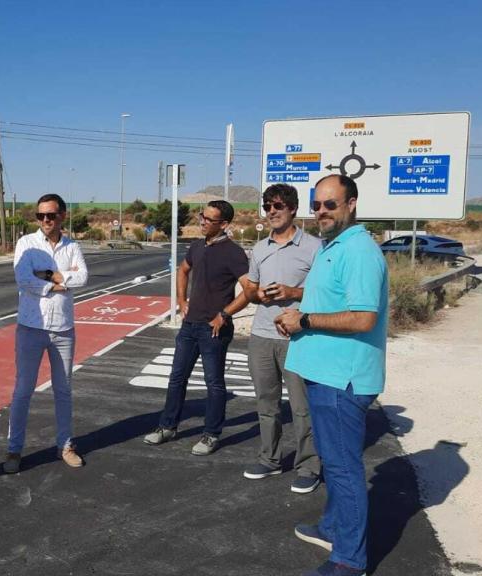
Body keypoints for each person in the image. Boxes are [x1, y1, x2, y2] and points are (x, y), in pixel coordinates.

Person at [275, 174, 389, 576]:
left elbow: (362, 317)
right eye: (317, 205)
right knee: (336, 461)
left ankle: (349, 559)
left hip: (342, 379)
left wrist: (304, 319)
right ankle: (331, 527)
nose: (322, 212)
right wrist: (294, 309)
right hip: (324, 373)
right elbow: (326, 299)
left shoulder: (358, 250)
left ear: (352, 204)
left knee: (343, 469)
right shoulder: (332, 246)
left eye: (331, 204)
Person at [234, 184, 323, 494]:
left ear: (293, 209)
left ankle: (309, 466)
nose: (272, 211)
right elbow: (251, 292)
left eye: (278, 206)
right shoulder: (259, 249)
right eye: (268, 206)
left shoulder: (315, 248)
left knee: (301, 407)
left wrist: (293, 293)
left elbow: (326, 294)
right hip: (261, 337)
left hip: (298, 338)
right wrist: (256, 294)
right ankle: (270, 460)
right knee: (266, 403)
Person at [143, 200, 249, 456]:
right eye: (202, 217)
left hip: (214, 330)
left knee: (214, 384)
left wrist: (224, 314)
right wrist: (181, 301)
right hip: (190, 326)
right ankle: (167, 427)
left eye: (208, 220)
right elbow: (183, 270)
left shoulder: (234, 253)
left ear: (223, 224)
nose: (202, 222)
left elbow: (250, 290)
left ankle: (211, 434)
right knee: (177, 378)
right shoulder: (197, 246)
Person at [3, 193, 88, 474]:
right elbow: (23, 278)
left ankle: (65, 445)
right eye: (40, 216)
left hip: (63, 329)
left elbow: (83, 277)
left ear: (62, 215)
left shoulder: (72, 246)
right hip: (31, 327)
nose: (46, 220)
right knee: (22, 390)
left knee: (63, 390)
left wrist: (49, 274)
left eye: (51, 215)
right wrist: (59, 282)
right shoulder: (26, 243)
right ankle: (14, 449)